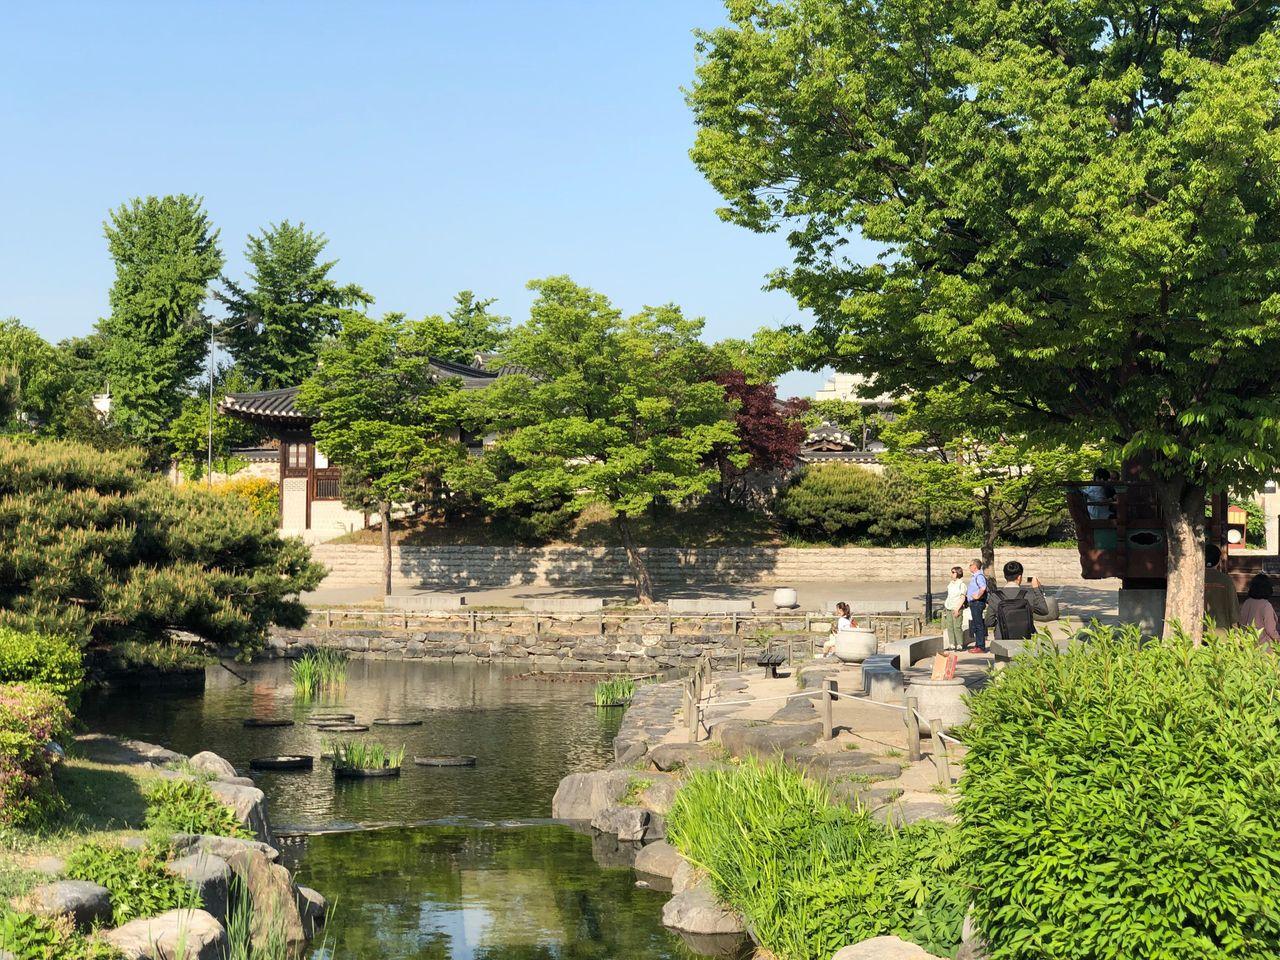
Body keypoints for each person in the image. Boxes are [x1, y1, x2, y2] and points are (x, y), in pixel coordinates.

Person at [984, 560, 1050, 644]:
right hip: (1026, 640)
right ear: (1019, 577)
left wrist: (1001, 620)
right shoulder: (1027, 595)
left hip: (1002, 641)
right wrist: (1037, 589)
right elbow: (1044, 611)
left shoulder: (995, 597)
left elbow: (989, 622)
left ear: (1005, 576)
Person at [1204, 543, 1240, 630]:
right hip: (1221, 629)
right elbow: (1233, 609)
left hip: (1196, 631)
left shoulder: (1192, 580)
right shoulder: (1226, 580)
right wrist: (1236, 634)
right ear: (1219, 560)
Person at [1239, 574, 1278, 646]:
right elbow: (1270, 630)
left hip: (1248, 645)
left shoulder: (1247, 602)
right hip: (1264, 648)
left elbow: (1241, 623)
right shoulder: (1266, 605)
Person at [966, 559, 989, 653]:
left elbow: (983, 587)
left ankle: (981, 646)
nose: (969, 567)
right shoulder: (975, 576)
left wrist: (977, 596)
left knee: (978, 625)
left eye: (970, 565)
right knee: (976, 624)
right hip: (974, 603)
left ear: (975, 566)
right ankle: (978, 645)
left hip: (977, 603)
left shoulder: (979, 576)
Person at [943, 566, 966, 651]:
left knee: (957, 626)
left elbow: (962, 598)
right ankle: (952, 644)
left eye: (953, 572)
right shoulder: (950, 584)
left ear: (958, 573)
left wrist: (957, 609)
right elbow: (949, 596)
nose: (951, 574)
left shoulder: (962, 584)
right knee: (950, 626)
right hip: (949, 607)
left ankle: (959, 644)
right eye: (951, 572)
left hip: (957, 608)